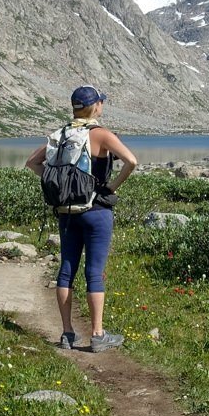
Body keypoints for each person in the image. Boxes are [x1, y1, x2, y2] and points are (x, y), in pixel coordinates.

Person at [26, 85, 138, 353]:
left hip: (67, 213)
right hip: (96, 211)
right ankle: (98, 335)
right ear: (96, 106)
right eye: (101, 103)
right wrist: (111, 188)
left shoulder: (61, 135)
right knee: (94, 273)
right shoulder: (100, 135)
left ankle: (67, 334)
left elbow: (32, 163)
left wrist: (61, 187)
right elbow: (131, 161)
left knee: (66, 271)